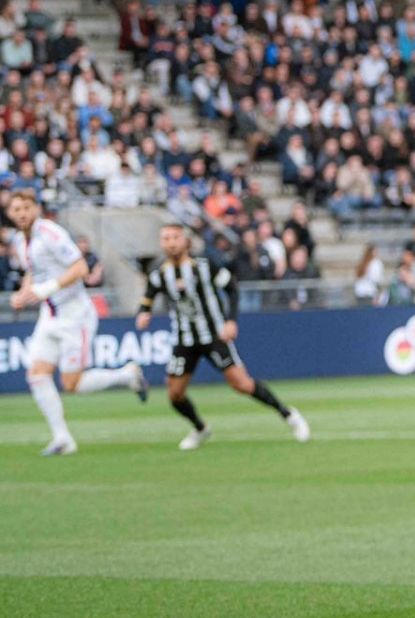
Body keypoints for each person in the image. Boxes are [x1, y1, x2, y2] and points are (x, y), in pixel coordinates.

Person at [136, 222, 309, 450]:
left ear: (184, 240)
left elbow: (232, 288)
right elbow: (147, 298)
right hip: (184, 340)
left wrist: (230, 321)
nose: (171, 243)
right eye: (166, 238)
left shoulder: (204, 267)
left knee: (242, 384)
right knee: (175, 393)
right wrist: (143, 314)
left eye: (175, 237)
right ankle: (200, 428)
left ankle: (289, 415)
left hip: (214, 335)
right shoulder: (159, 274)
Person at [5, 190, 148, 455]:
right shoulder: (20, 241)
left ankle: (127, 375)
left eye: (26, 207)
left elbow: (80, 268)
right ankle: (62, 439)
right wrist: (24, 294)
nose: (22, 213)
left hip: (74, 315)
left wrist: (46, 289)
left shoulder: (50, 233)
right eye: (16, 209)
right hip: (50, 316)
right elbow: (33, 272)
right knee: (37, 374)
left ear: (35, 208)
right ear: (10, 213)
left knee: (72, 384)